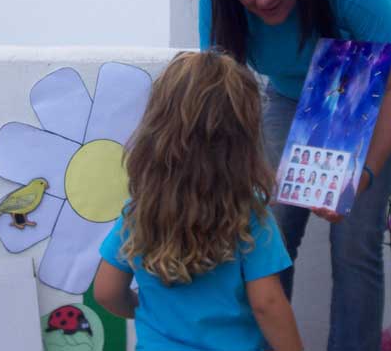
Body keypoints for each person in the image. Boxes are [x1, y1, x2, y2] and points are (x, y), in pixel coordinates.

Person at [199, 0, 391, 351]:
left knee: (354, 240)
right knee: (270, 226)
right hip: (290, 88)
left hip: (373, 81)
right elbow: (220, 92)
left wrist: (363, 175)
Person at [94, 51, 303, 351]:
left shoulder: (140, 211)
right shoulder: (249, 212)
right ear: (242, 138)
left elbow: (106, 292)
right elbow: (267, 303)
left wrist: (145, 310)